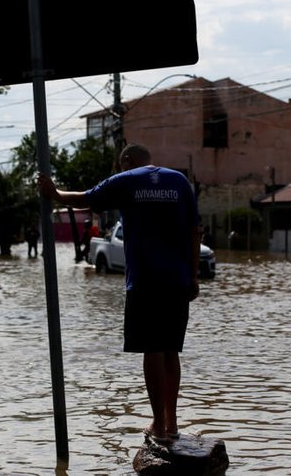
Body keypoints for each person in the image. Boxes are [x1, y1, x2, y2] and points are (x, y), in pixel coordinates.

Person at [38, 143, 200, 445]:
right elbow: (195, 231)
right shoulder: (179, 181)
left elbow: (86, 198)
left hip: (145, 281)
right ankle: (173, 423)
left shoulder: (126, 180)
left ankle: (160, 425)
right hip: (178, 279)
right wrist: (192, 275)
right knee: (169, 350)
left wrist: (55, 194)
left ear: (126, 160)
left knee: (152, 349)